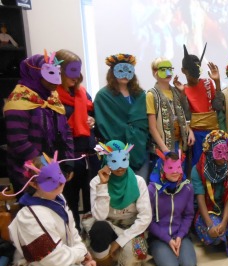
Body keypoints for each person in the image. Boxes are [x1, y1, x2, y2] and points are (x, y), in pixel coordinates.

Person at [3, 153, 107, 266]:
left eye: (60, 176)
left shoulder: (58, 198)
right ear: (34, 184)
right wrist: (79, 254)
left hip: (63, 259)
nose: (60, 183)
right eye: (50, 180)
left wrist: (84, 257)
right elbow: (50, 261)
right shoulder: (29, 217)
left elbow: (73, 233)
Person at [4, 52, 74, 193]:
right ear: (35, 74)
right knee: (35, 212)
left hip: (55, 169)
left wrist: (68, 162)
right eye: (50, 74)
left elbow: (65, 132)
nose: (57, 81)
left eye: (58, 74)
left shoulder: (52, 98)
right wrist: (44, 167)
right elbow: (18, 141)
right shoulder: (19, 101)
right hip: (28, 175)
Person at [89, 140, 152, 266]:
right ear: (106, 160)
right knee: (99, 229)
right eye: (114, 161)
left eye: (123, 160)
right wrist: (103, 186)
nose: (120, 167)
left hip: (130, 227)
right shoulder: (96, 182)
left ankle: (113, 254)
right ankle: (105, 265)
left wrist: (120, 241)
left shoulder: (139, 182)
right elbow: (99, 217)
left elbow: (145, 217)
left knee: (136, 254)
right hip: (107, 224)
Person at [55, 49, 98, 230]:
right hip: (69, 156)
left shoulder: (82, 93)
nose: (76, 76)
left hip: (89, 153)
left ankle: (91, 235)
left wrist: (92, 120)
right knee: (70, 200)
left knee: (92, 197)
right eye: (71, 71)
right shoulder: (53, 96)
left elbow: (92, 114)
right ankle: (75, 235)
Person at [191, 130, 228, 256]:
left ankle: (225, 235)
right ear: (210, 151)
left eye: (225, 152)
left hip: (224, 210)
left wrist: (224, 222)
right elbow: (200, 200)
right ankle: (216, 239)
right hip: (206, 211)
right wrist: (209, 225)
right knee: (215, 235)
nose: (223, 157)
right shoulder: (197, 170)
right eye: (219, 152)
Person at [94, 53, 149, 181]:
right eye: (120, 70)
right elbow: (104, 124)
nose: (125, 74)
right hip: (116, 150)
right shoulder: (103, 96)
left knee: (140, 185)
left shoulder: (140, 94)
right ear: (112, 72)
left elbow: (145, 121)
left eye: (128, 70)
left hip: (139, 147)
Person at [148, 150, 196, 266]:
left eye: (178, 167)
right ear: (162, 168)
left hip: (180, 235)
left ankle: (175, 251)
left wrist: (180, 236)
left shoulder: (187, 188)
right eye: (170, 167)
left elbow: (188, 215)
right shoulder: (152, 190)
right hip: (159, 237)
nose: (175, 171)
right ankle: (161, 254)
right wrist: (168, 240)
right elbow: (148, 221)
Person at [178, 44, 225, 166]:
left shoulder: (207, 83)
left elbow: (218, 106)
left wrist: (217, 83)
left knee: (216, 163)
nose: (194, 77)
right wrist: (182, 95)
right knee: (199, 164)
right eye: (190, 73)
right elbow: (184, 115)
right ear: (183, 71)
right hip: (196, 134)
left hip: (213, 132)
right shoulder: (183, 89)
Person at [147, 57, 194, 155]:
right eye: (163, 70)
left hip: (180, 144)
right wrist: (164, 150)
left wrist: (190, 131)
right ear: (155, 72)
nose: (168, 73)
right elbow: (152, 127)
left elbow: (183, 116)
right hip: (164, 146)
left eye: (170, 69)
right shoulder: (151, 94)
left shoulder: (175, 91)